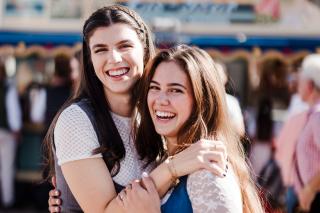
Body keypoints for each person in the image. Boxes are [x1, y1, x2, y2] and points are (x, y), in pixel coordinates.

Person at [44, 5, 228, 213]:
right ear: (90, 59)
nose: (113, 58)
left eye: (124, 46)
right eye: (100, 49)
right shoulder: (76, 120)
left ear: (145, 50)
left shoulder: (155, 113)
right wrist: (172, 168)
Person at [118, 45, 263, 213]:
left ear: (203, 101)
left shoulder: (208, 173)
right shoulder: (164, 161)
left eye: (175, 90)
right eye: (155, 87)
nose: (161, 99)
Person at [292, 54, 320, 212]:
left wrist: (309, 189)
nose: (297, 88)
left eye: (300, 83)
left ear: (309, 85)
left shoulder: (317, 117)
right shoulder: (314, 116)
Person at [0, 61, 22, 208]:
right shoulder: (8, 88)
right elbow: (13, 111)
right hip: (5, 133)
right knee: (6, 168)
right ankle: (7, 201)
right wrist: (17, 129)